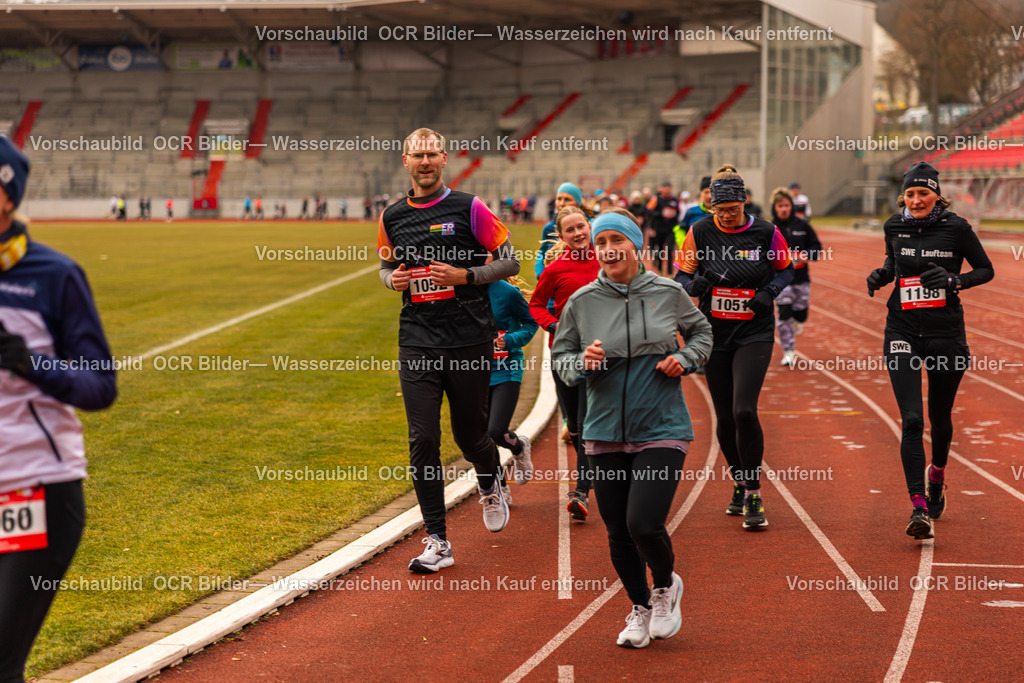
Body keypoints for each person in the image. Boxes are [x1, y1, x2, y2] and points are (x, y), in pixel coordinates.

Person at [553, 209, 712, 648]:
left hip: (662, 426)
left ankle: (665, 587)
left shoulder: (667, 291)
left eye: (616, 240)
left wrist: (685, 359)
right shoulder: (582, 302)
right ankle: (640, 607)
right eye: (600, 242)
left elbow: (702, 335)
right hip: (603, 432)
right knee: (618, 531)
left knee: (643, 522)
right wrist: (579, 363)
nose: (608, 249)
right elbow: (560, 357)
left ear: (634, 244)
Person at [0, 136, 117, 683]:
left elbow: (100, 387)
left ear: (6, 194)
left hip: (35, 489)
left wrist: (30, 365)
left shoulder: (54, 275)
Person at [378, 128, 520, 573]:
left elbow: (511, 260)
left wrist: (467, 277)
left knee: (470, 435)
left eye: (431, 155)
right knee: (422, 438)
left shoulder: (469, 207)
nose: (424, 162)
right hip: (417, 339)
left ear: (444, 159)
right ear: (405, 161)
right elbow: (386, 267)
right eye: (416, 155)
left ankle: (490, 476)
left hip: (468, 338)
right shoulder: (392, 215)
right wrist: (392, 281)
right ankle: (437, 540)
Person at [866, 161, 994, 540]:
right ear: (902, 196)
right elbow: (894, 263)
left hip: (944, 335)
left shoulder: (956, 227)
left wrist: (954, 280)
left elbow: (985, 269)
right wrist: (882, 274)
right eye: (910, 193)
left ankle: (937, 474)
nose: (917, 200)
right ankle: (918, 506)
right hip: (902, 329)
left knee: (939, 418)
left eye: (924, 193)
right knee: (912, 420)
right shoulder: (894, 225)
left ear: (937, 194)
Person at [674, 164, 793, 531]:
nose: (727, 216)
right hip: (714, 333)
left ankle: (754, 491)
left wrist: (768, 293)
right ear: (711, 207)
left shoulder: (766, 232)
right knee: (723, 415)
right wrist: (697, 285)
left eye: (734, 210)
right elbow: (682, 275)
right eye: (721, 211)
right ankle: (739, 481)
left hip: (753, 332)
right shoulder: (700, 231)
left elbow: (786, 270)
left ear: (745, 203)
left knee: (744, 410)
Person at [530, 206, 600, 521]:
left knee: (585, 424)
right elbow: (535, 304)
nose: (577, 234)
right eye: (569, 230)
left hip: (600, 355)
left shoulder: (608, 260)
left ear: (590, 226)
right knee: (573, 426)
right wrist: (554, 326)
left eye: (581, 226)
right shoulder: (555, 269)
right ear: (561, 236)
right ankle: (593, 467)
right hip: (564, 356)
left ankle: (581, 491)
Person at [487, 269, 538, 488]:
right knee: (482, 438)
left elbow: (531, 323)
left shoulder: (507, 292)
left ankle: (518, 447)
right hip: (472, 371)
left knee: (496, 431)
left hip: (506, 368)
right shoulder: (460, 290)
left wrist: (508, 340)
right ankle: (500, 488)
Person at [771, 187, 823, 367]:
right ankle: (789, 351)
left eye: (786, 205)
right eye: (780, 206)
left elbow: (817, 247)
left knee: (800, 314)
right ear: (775, 208)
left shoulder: (803, 226)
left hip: (801, 279)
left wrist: (807, 255)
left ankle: (799, 319)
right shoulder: (770, 228)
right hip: (780, 281)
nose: (783, 209)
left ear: (791, 206)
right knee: (784, 314)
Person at [535, 182, 582, 279]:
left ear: (578, 203)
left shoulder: (588, 226)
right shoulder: (549, 228)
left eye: (567, 199)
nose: (562, 203)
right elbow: (543, 252)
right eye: (559, 199)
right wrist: (540, 272)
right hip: (554, 281)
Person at [643, 181, 679, 277]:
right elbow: (647, 210)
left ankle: (670, 272)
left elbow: (678, 212)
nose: (667, 190)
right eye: (665, 188)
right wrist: (658, 214)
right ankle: (659, 271)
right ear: (661, 189)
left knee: (669, 249)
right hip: (659, 229)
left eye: (669, 188)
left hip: (670, 230)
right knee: (659, 250)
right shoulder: (656, 199)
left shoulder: (674, 200)